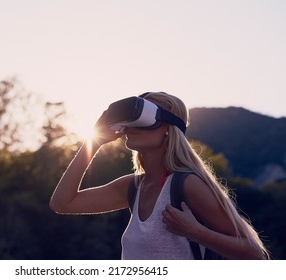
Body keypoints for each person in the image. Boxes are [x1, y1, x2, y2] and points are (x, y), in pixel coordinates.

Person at [49, 91, 269, 260]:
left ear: (167, 128)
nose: (131, 127)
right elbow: (62, 204)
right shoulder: (133, 187)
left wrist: (197, 232)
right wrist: (93, 142)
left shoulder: (186, 184)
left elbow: (254, 253)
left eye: (142, 119)